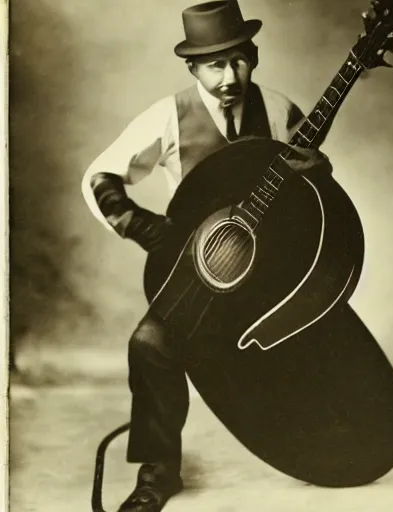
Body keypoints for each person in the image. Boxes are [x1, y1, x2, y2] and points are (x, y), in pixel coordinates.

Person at [82, 1, 333, 510]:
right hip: (204, 274)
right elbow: (101, 176)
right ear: (192, 67)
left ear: (254, 56)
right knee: (150, 344)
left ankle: (322, 451)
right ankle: (158, 474)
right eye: (214, 64)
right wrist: (143, 227)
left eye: (238, 59)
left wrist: (321, 171)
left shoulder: (281, 109)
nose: (228, 75)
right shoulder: (169, 116)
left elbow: (311, 193)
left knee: (318, 336)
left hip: (267, 275)